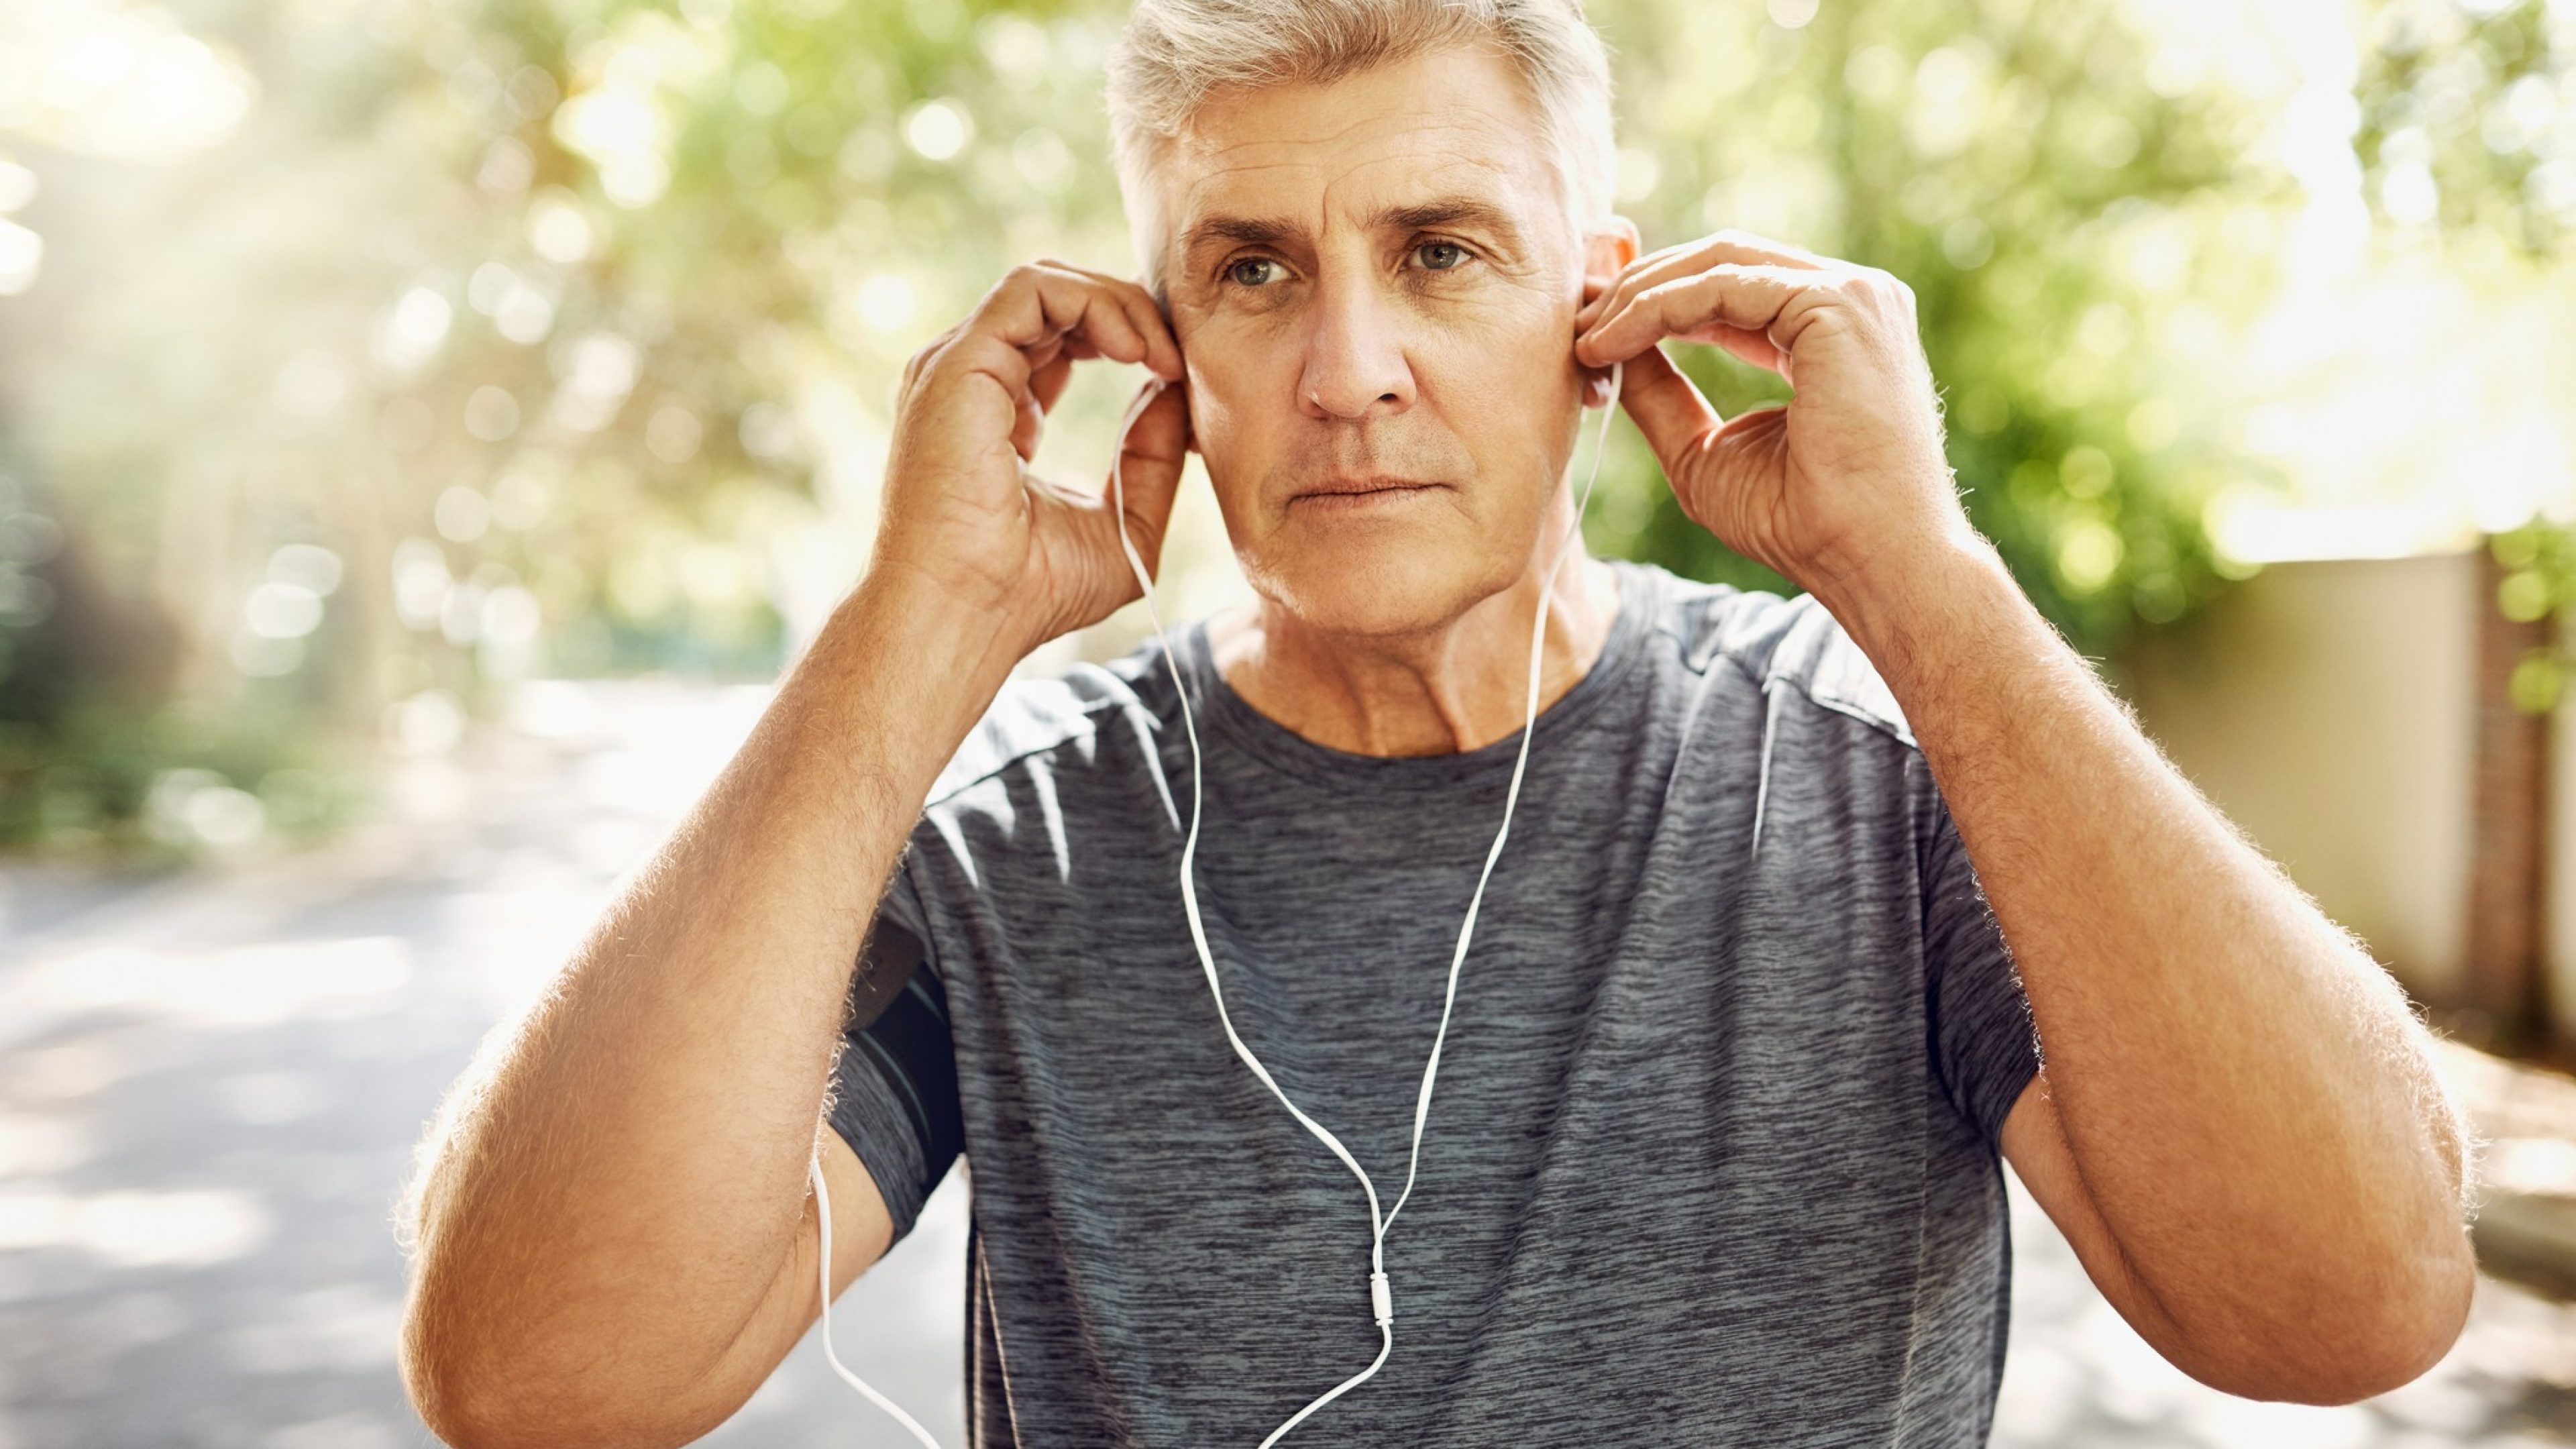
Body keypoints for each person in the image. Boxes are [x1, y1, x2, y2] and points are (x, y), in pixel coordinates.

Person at [396, 1, 2477, 1445]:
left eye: (1443, 251)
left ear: (1603, 310)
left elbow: (2350, 1310)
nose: (1349, 366)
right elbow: (536, 1378)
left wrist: (1921, 581)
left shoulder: (1882, 774)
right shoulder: (1016, 844)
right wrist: (902, 640)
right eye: (1253, 271)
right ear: (1162, 348)